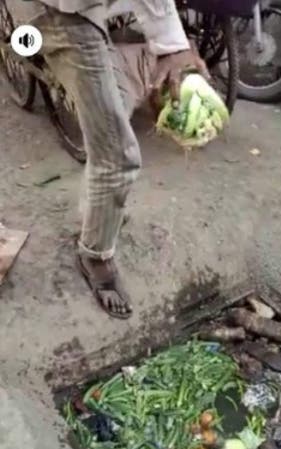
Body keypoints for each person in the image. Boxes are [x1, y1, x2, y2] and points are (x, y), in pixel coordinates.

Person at [31, 0, 209, 319]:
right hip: (69, 12)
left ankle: (97, 216)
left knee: (117, 112)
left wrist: (171, 41)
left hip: (95, 8)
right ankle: (95, 256)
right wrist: (171, 43)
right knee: (118, 155)